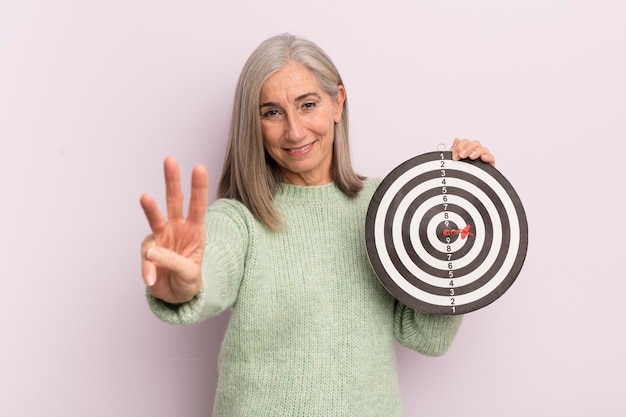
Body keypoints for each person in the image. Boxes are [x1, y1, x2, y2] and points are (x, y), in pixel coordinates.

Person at [140, 33, 496, 416]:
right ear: (254, 123)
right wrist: (184, 285)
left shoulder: (390, 206)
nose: (294, 131)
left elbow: (427, 337)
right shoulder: (238, 218)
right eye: (271, 112)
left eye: (307, 105)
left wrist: (464, 208)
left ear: (337, 103)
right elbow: (209, 269)